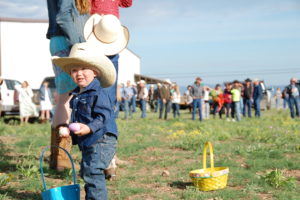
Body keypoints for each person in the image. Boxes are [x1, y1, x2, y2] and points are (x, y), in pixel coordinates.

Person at [52, 42, 117, 200]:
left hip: (102, 139)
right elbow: (77, 120)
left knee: (93, 172)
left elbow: (103, 116)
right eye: (74, 70)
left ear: (95, 72)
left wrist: (89, 128)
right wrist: (69, 129)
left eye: (83, 69)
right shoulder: (76, 95)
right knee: (87, 172)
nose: (79, 73)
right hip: (88, 141)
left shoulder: (98, 92)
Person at [46, 0, 90, 171]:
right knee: (66, 99)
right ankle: (61, 158)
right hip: (67, 41)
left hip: (61, 40)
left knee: (64, 97)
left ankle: (57, 157)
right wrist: (78, 42)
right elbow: (63, 17)